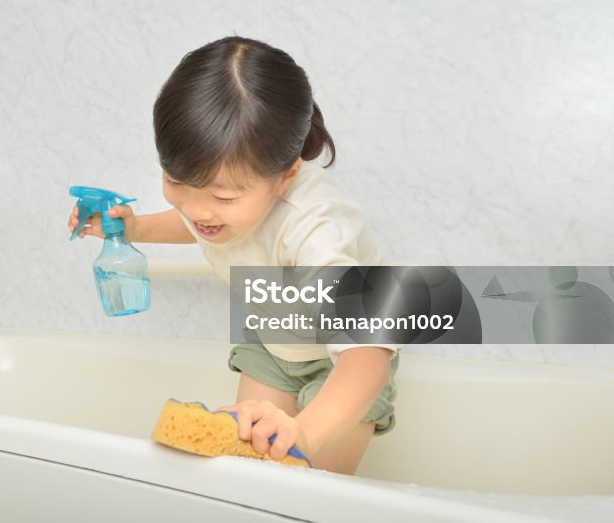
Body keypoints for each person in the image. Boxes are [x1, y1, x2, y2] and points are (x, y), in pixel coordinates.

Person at [67, 36, 398, 474]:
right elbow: (194, 222)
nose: (197, 210)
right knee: (253, 476)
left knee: (315, 491)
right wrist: (138, 227)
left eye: (223, 197)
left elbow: (367, 356)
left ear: (286, 176)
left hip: (343, 366)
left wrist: (306, 435)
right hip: (274, 341)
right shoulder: (211, 202)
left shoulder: (316, 227)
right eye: (176, 182)